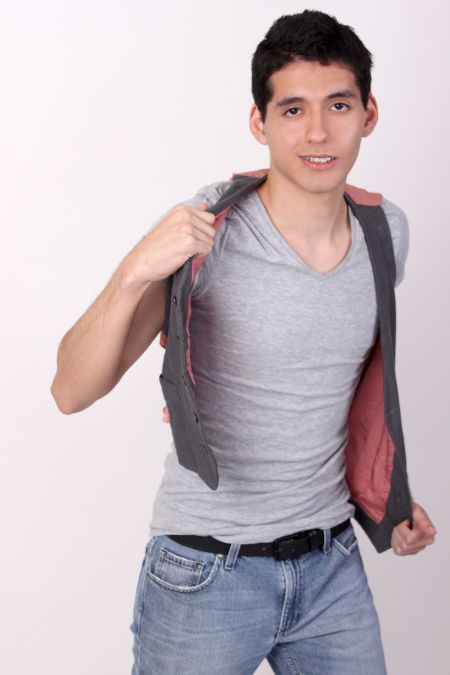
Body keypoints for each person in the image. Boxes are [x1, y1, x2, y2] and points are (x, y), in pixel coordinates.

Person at [50, 9, 437, 675]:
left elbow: (341, 389)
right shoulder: (207, 230)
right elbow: (69, 390)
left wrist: (387, 495)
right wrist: (134, 269)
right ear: (259, 122)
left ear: (368, 113)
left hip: (332, 565)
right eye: (292, 110)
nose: (317, 132)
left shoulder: (385, 232)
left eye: (337, 104)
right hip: (206, 572)